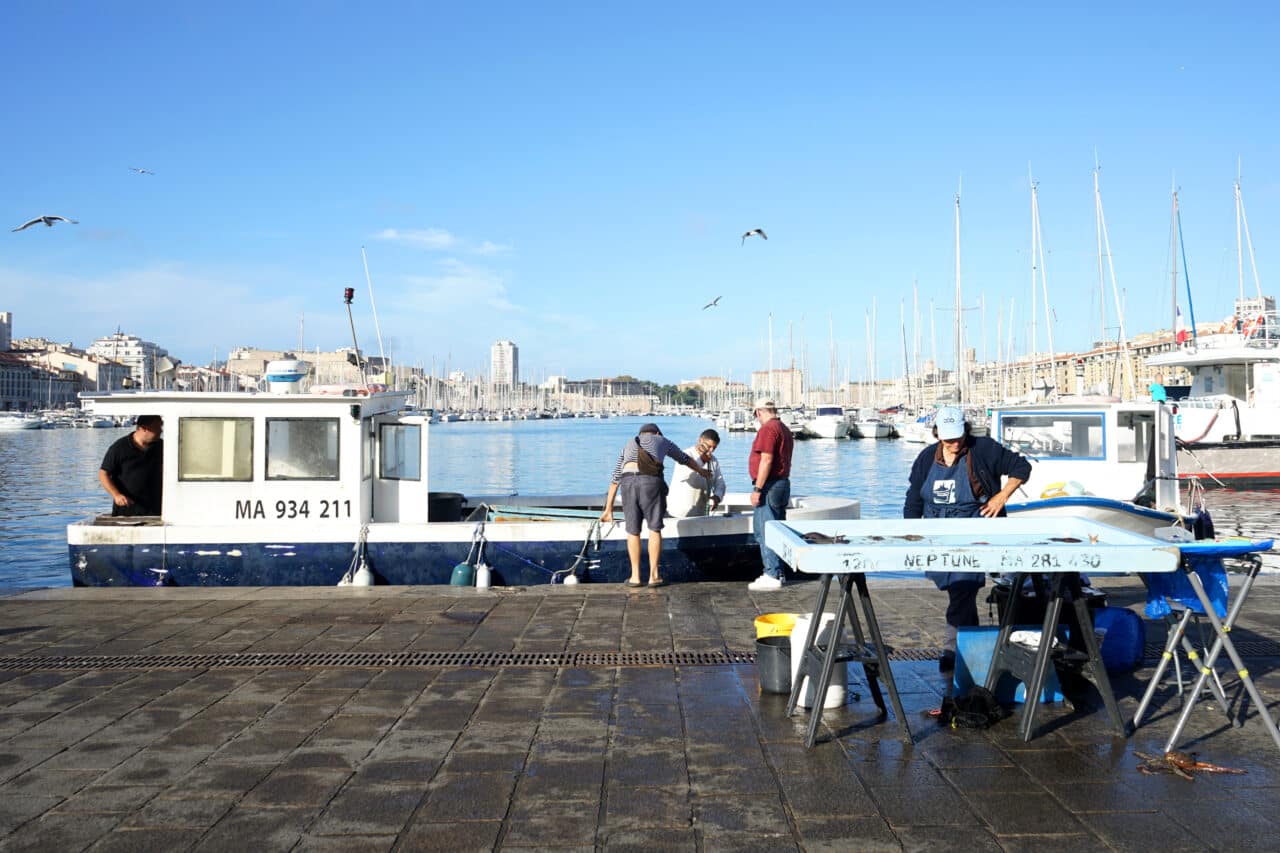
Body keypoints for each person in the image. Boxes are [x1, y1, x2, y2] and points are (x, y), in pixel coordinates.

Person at [903, 406, 1031, 671]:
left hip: (974, 534)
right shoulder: (926, 458)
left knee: (963, 588)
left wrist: (1001, 496)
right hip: (938, 536)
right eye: (948, 438)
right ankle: (970, 647)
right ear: (937, 433)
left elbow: (1021, 467)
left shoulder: (983, 449)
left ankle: (955, 652)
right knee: (957, 592)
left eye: (958, 436)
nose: (954, 443)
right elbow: (914, 498)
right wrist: (911, 534)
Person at [600, 423, 709, 587]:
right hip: (650, 483)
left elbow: (615, 479)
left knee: (633, 531)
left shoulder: (629, 443)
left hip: (627, 482)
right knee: (654, 528)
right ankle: (654, 576)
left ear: (641, 433)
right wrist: (702, 471)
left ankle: (635, 577)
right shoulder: (661, 439)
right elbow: (684, 459)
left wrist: (608, 509)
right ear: (657, 432)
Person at [747, 400, 795, 591]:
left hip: (769, 485)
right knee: (778, 529)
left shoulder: (768, 429)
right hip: (782, 483)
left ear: (759, 412)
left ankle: (771, 573)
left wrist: (757, 489)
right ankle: (779, 572)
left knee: (765, 530)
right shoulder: (783, 428)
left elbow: (766, 459)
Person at [99, 414, 165, 516]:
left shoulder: (162, 447)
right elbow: (103, 474)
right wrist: (116, 495)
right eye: (157, 427)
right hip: (127, 511)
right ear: (144, 428)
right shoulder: (119, 447)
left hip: (156, 510)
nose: (161, 431)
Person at [666, 428, 726, 518]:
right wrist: (702, 461)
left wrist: (717, 497)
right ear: (700, 440)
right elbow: (686, 475)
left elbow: (720, 483)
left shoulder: (713, 461)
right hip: (679, 512)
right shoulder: (685, 455)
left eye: (714, 448)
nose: (711, 451)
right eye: (709, 446)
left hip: (701, 513)